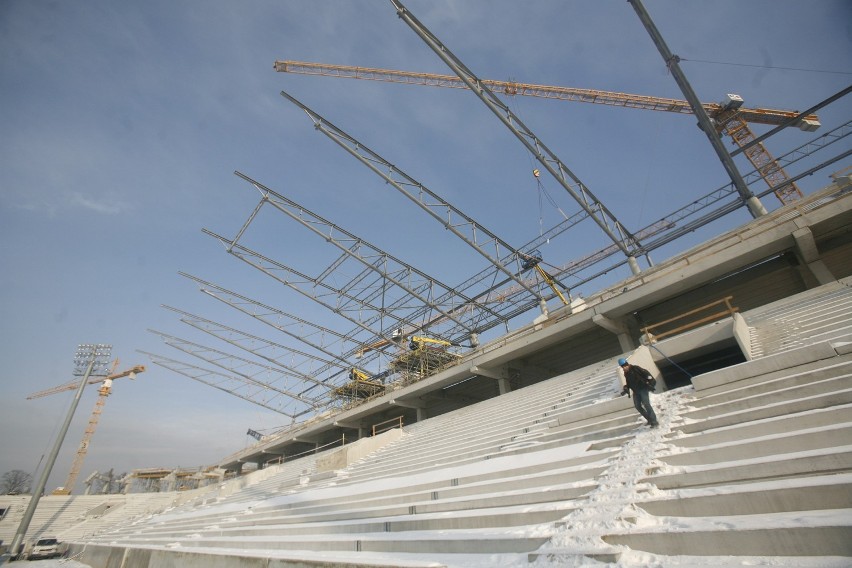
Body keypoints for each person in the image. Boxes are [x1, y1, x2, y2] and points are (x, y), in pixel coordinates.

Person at [619, 357, 659, 427]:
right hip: (636, 391)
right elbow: (629, 383)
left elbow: (646, 374)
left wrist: (650, 383)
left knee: (646, 404)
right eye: (623, 367)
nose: (624, 368)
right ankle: (649, 419)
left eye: (625, 366)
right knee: (637, 406)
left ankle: (654, 421)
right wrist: (626, 388)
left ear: (627, 365)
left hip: (643, 388)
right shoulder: (626, 373)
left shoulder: (635, 368)